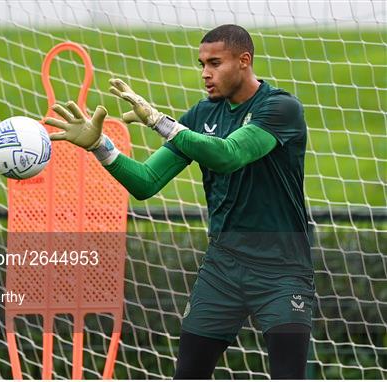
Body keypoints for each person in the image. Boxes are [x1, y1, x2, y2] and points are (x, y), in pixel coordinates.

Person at [45, 24, 314, 379]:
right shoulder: (201, 116)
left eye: (215, 63)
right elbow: (145, 182)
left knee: (289, 376)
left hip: (282, 269)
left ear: (244, 61)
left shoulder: (280, 108)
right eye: (201, 64)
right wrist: (100, 147)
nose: (205, 73)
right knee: (188, 373)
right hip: (223, 266)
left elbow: (229, 155)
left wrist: (159, 121)